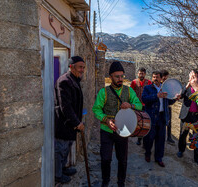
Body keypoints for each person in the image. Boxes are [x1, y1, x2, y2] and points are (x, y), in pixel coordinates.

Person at [92, 61, 142, 187]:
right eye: (117, 76)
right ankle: (105, 181)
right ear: (110, 77)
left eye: (122, 76)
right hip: (106, 130)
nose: (120, 79)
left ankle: (121, 183)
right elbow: (96, 109)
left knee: (122, 160)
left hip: (123, 131)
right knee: (105, 159)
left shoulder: (129, 91)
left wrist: (131, 105)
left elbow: (140, 105)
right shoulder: (103, 92)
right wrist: (106, 120)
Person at [54, 56, 86, 184]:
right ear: (71, 67)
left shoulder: (75, 79)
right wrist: (77, 122)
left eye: (83, 67)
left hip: (71, 123)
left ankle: (62, 169)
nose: (82, 70)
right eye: (80, 67)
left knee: (66, 148)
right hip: (64, 123)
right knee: (60, 150)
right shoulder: (64, 81)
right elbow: (65, 107)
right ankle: (57, 175)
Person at [142, 71, 176, 167]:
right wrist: (156, 96)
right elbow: (144, 99)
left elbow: (169, 101)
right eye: (153, 77)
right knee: (149, 138)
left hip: (162, 117)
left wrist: (175, 98)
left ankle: (159, 158)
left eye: (157, 77)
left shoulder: (166, 88)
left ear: (161, 78)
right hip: (151, 117)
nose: (155, 79)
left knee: (160, 139)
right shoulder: (148, 88)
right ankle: (147, 154)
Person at [176, 70, 198, 167]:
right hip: (186, 115)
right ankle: (181, 150)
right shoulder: (186, 87)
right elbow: (180, 96)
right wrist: (186, 87)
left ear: (197, 78)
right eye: (191, 76)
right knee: (183, 134)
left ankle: (197, 158)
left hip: (197, 116)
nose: (192, 78)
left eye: (194, 76)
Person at [130, 67, 152, 146]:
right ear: (137, 74)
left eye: (142, 73)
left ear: (145, 74)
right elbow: (131, 93)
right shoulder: (134, 82)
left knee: (145, 122)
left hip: (146, 105)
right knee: (138, 121)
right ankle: (138, 136)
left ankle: (144, 138)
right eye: (140, 73)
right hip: (137, 105)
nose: (141, 75)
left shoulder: (149, 82)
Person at [161, 69, 175, 144]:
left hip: (167, 107)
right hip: (160, 108)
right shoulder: (158, 86)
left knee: (169, 123)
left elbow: (170, 100)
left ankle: (169, 137)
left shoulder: (169, 87)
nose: (165, 79)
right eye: (164, 77)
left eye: (166, 77)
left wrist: (175, 98)